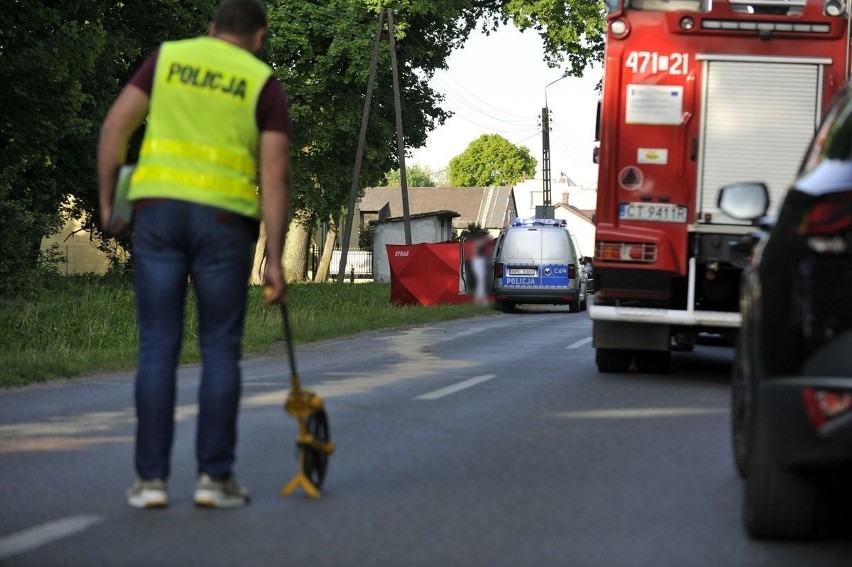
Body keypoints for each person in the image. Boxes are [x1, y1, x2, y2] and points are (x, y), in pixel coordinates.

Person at [97, 0, 291, 509]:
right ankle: (214, 478)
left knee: (158, 346)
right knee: (220, 349)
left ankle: (152, 482)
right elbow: (274, 176)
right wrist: (274, 257)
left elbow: (115, 128)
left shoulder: (167, 59)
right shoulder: (262, 82)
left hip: (158, 216)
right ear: (258, 37)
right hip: (225, 224)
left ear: (210, 30)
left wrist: (111, 204)